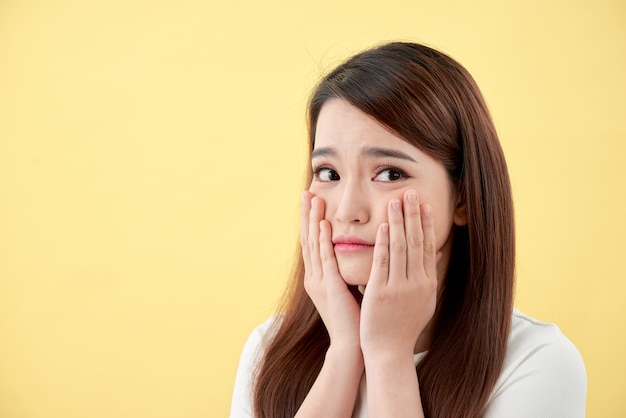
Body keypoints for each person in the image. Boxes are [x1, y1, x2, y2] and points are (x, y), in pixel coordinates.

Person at [230, 41, 587, 418]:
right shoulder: (269, 350)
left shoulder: (537, 364)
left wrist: (389, 357)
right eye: (329, 173)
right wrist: (344, 351)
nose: (348, 210)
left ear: (463, 198)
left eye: (389, 174)